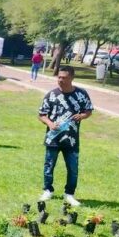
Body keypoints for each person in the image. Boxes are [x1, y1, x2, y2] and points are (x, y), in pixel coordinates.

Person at [37, 65, 92, 207]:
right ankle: (48, 190)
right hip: (53, 138)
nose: (61, 80)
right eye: (59, 77)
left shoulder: (81, 94)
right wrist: (49, 123)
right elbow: (42, 115)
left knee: (73, 168)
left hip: (72, 139)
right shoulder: (51, 95)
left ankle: (69, 194)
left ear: (72, 78)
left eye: (64, 78)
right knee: (49, 166)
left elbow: (88, 110)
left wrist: (82, 116)